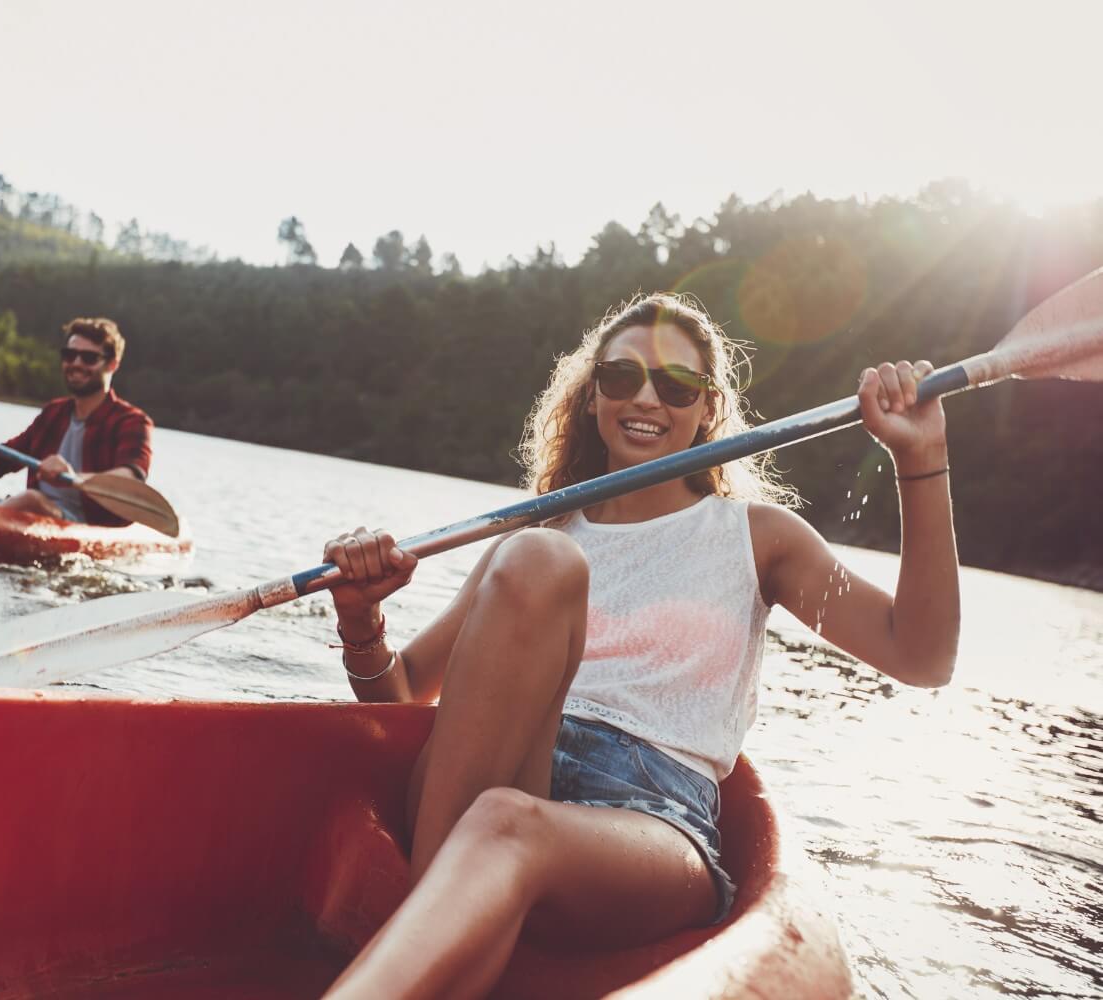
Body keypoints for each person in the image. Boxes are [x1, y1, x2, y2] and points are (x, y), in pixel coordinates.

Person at [318, 292, 958, 999]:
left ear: (707, 408)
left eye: (675, 385)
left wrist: (920, 458)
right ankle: (438, 929)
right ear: (593, 400)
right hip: (493, 787)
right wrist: (360, 622)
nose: (645, 398)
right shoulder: (542, 533)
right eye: (621, 378)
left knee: (505, 823)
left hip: (650, 825)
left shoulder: (757, 538)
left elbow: (921, 656)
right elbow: (402, 695)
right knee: (538, 564)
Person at [0, 316, 153, 526]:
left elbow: (130, 477)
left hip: (81, 523)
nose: (77, 363)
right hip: (24, 508)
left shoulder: (131, 421)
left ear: (112, 364)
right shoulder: (55, 412)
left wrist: (73, 477)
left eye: (89, 358)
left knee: (30, 500)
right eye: (70, 355)